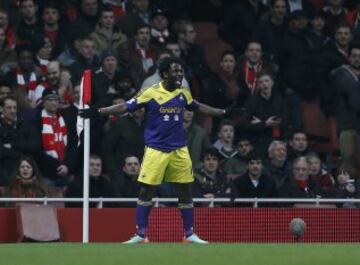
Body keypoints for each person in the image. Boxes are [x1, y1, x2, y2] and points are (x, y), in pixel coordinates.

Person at [80, 56, 235, 244]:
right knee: (147, 191)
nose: (179, 74)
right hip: (156, 150)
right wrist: (98, 111)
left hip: (179, 150)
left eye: (181, 71)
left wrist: (223, 112)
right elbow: (124, 106)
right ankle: (140, 234)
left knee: (185, 190)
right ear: (163, 74)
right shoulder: (150, 92)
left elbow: (198, 107)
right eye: (175, 71)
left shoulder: (183, 93)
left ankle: (189, 234)